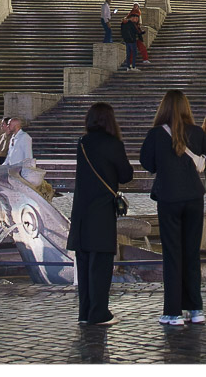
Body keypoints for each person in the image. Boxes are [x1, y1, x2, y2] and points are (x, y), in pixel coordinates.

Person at [139, 90, 206, 325]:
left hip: (169, 198)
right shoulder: (196, 131)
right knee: (191, 254)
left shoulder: (155, 134)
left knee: (172, 255)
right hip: (194, 198)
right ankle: (195, 309)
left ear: (163, 108)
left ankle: (173, 312)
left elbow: (147, 163)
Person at [68, 102, 133, 327]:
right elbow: (126, 175)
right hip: (102, 212)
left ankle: (85, 313)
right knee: (101, 266)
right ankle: (99, 313)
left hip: (81, 213)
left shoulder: (82, 143)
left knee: (84, 265)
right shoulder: (114, 144)